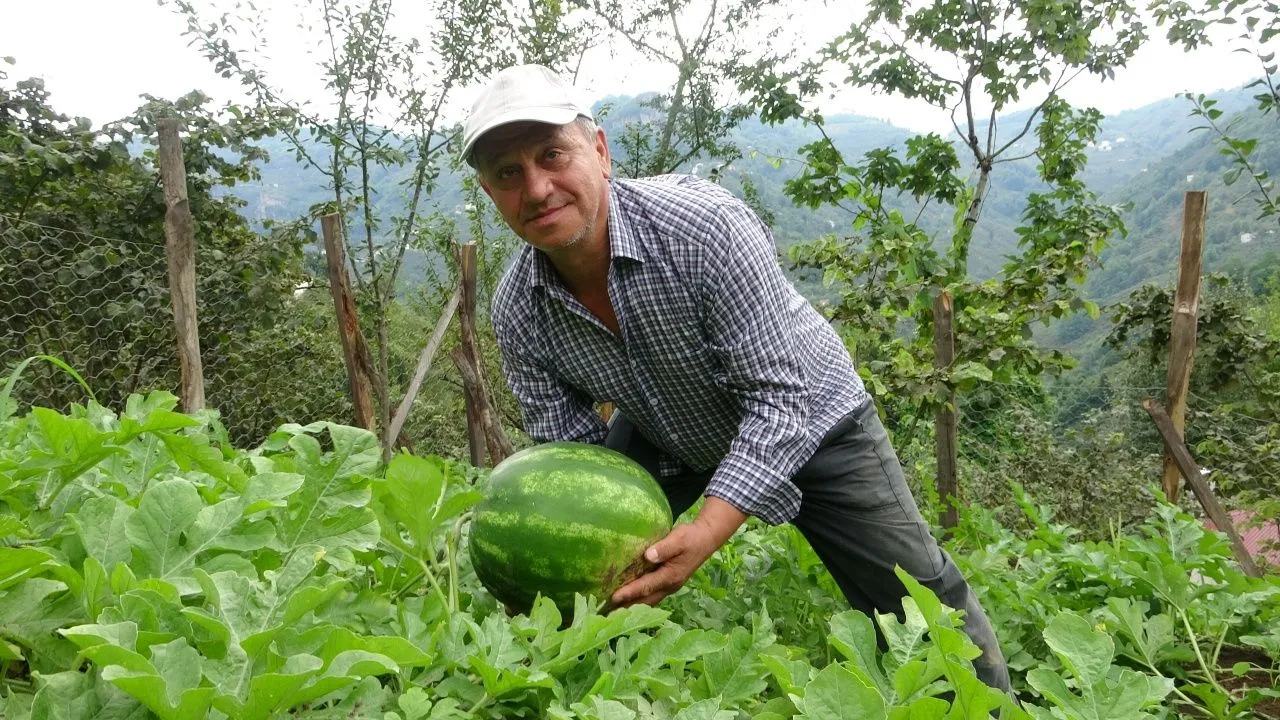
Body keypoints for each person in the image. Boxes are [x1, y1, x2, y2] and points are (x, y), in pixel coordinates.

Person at [461, 63, 1012, 694]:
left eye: (553, 154)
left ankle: (986, 707)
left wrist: (706, 532)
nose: (536, 188)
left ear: (601, 151)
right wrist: (558, 568)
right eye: (508, 173)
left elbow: (779, 399)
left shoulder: (703, 226)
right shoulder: (519, 310)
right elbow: (573, 460)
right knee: (592, 577)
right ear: (490, 193)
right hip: (671, 428)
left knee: (917, 596)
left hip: (811, 416)